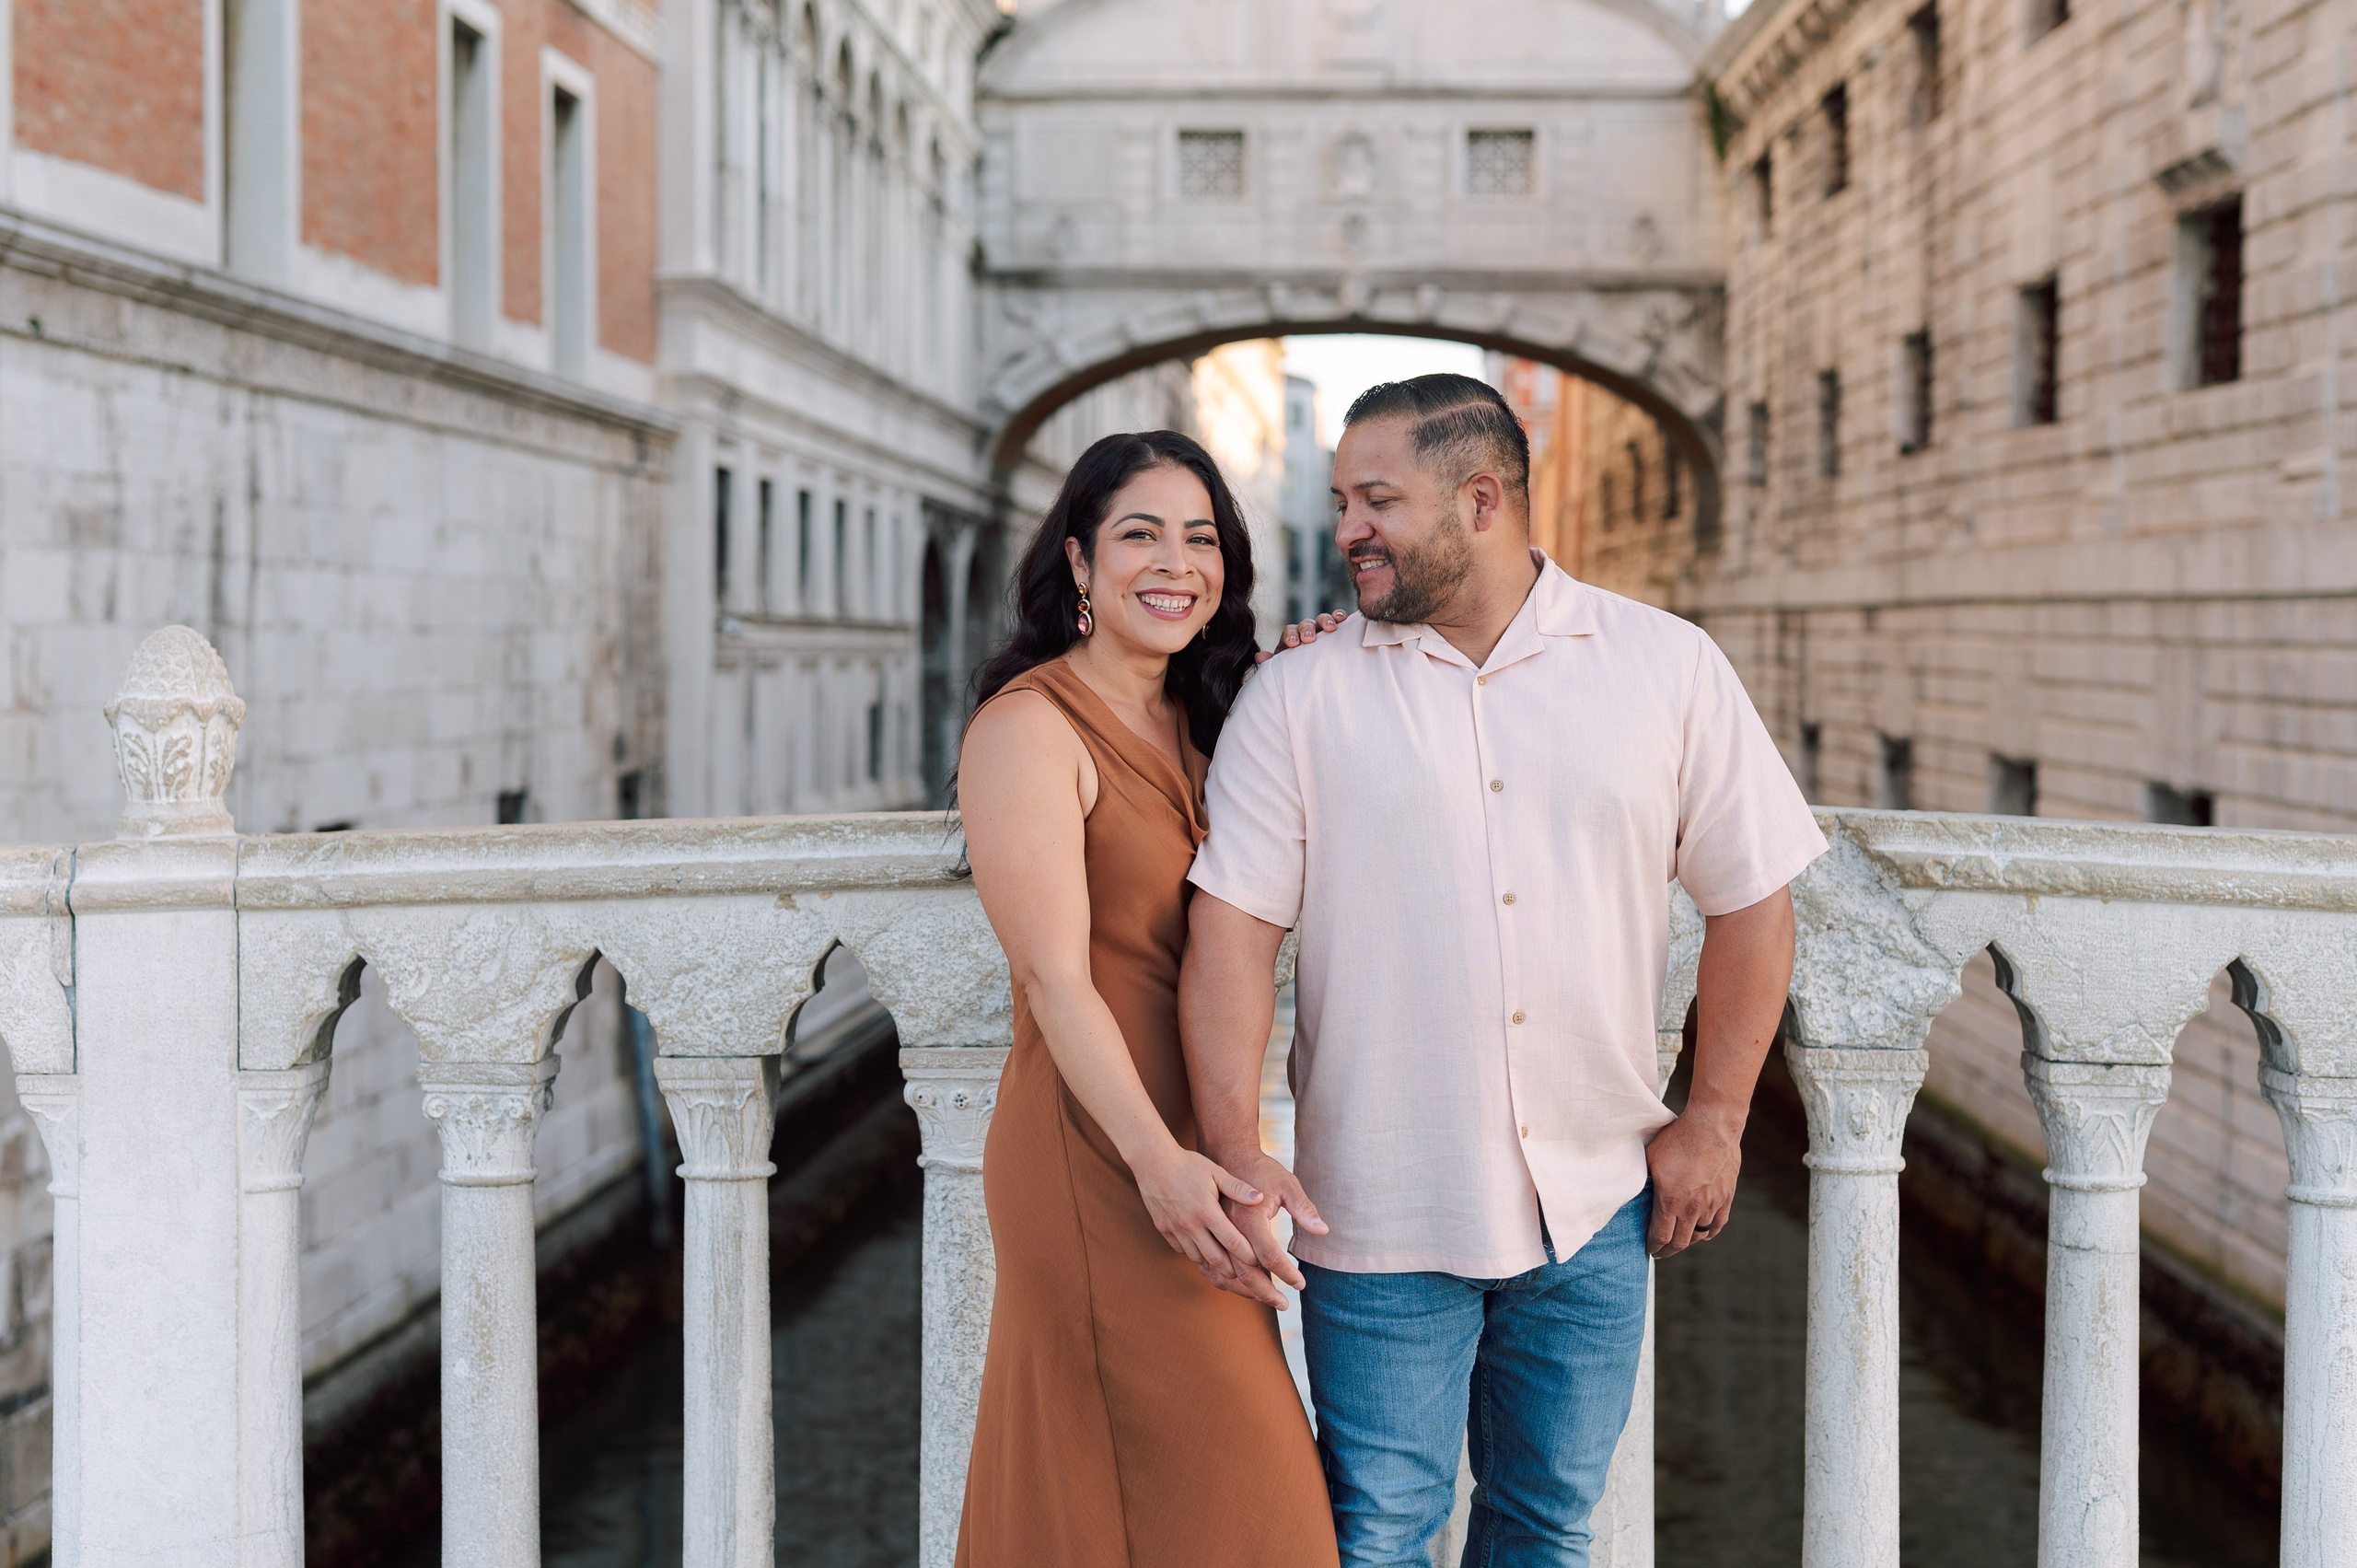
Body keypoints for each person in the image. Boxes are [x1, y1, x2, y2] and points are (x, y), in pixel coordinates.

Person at [1179, 374, 1826, 1566]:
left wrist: (1718, 1120)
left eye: (1378, 500)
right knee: (1374, 1533)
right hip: (1374, 1210)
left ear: (1483, 501)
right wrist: (1233, 1140)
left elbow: (1754, 897)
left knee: (1544, 1526)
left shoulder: (1667, 667)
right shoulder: (1300, 693)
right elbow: (1231, 935)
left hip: (1596, 1202)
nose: (1346, 531)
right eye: (1339, 501)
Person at [951, 429, 1339, 1568]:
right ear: (1077, 561)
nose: (1176, 562)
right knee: (1251, 1504)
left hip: (1194, 1146)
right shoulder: (1028, 728)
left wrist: (1316, 668)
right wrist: (1156, 1163)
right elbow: (1054, 977)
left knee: (1179, 1503)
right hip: (1095, 1150)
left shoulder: (1211, 716)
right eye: (1140, 534)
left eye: (1201, 537)